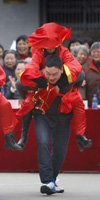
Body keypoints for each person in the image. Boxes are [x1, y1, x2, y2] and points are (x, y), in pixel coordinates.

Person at [20, 55, 91, 195]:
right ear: (43, 70)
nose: (51, 77)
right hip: (42, 115)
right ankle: (47, 181)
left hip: (63, 117)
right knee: (43, 142)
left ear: (62, 70)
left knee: (60, 150)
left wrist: (80, 133)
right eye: (48, 73)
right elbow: (19, 85)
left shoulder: (71, 76)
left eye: (55, 74)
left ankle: (52, 180)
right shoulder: (37, 77)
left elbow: (82, 76)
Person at [16, 22, 85, 149]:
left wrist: (61, 83)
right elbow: (32, 67)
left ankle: (80, 134)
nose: (49, 47)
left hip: (62, 82)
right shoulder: (37, 50)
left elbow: (75, 67)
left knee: (80, 81)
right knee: (22, 90)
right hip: (41, 82)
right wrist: (45, 84)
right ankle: (24, 134)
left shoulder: (63, 51)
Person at [82, 42, 100, 107]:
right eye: (93, 52)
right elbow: (82, 87)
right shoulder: (85, 68)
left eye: (98, 52)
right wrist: (83, 101)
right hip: (91, 104)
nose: (96, 54)